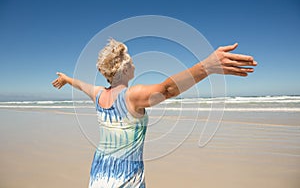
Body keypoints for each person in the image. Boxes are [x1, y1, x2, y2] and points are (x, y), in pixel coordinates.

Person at [52, 38, 257, 187]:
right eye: (131, 63)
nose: (134, 65)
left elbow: (80, 85)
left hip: (98, 175)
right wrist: (207, 67)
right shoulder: (132, 95)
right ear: (124, 70)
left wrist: (66, 79)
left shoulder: (97, 94)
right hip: (125, 179)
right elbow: (167, 89)